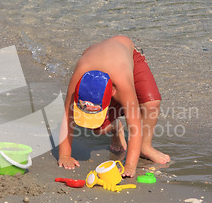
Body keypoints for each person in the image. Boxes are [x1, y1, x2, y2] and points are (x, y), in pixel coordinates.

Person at [58, 35, 170, 177]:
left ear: (113, 92)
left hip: (128, 54)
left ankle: (145, 147)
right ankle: (116, 127)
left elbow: (135, 125)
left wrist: (129, 165)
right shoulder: (78, 81)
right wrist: (65, 155)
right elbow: (68, 116)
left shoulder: (123, 85)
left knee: (151, 103)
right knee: (100, 129)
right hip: (93, 55)